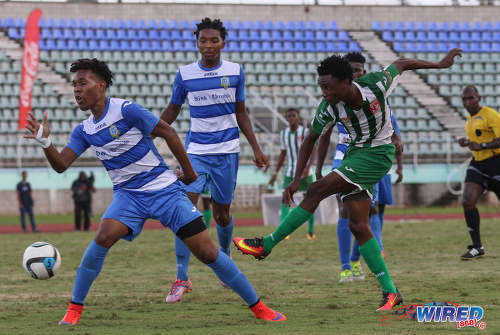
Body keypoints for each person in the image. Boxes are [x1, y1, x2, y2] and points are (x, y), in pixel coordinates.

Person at [24, 58, 285, 325]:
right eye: (74, 85)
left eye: (83, 83)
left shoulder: (126, 110)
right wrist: (46, 144)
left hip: (164, 191)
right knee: (102, 238)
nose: (76, 90)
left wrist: (190, 174)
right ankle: (74, 311)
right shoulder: (85, 130)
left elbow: (168, 132)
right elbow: (61, 165)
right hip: (128, 197)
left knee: (208, 253)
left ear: (101, 86)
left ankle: (259, 307)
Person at [235, 49, 462, 311]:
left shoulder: (376, 84)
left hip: (378, 154)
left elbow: (401, 63)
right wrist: (297, 178)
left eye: (328, 87)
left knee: (318, 190)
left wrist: (439, 64)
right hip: (355, 154)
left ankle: (267, 244)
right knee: (358, 225)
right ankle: (391, 292)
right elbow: (311, 139)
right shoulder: (330, 106)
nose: (324, 93)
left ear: (345, 83)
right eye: (320, 87)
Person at [160, 17, 269, 302]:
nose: (208, 46)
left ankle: (224, 259)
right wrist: (150, 132)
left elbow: (241, 112)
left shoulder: (235, 72)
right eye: (203, 41)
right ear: (196, 43)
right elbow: (172, 110)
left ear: (223, 43)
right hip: (195, 152)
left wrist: (256, 148)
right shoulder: (184, 74)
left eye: (213, 40)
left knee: (222, 214)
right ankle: (182, 278)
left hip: (227, 152)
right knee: (185, 210)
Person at [315, 52, 404, 283]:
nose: (359, 73)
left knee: (370, 211)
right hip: (345, 155)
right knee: (345, 210)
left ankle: (357, 260)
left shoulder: (375, 95)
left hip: (372, 155)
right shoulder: (335, 99)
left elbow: (392, 129)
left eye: (361, 70)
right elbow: (322, 135)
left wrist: (397, 144)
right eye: (354, 70)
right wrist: (318, 167)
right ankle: (346, 266)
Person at [457, 85, 500, 260]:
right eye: (464, 99)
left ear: (479, 98)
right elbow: (478, 139)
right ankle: (477, 247)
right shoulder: (469, 118)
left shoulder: (490, 115)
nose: (468, 102)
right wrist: (467, 142)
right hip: (478, 164)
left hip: (496, 163)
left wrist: (482, 146)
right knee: (467, 201)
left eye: (471, 98)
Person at [268, 108, 316, 240]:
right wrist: (275, 173)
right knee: (285, 200)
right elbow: (282, 155)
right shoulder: (284, 134)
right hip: (290, 172)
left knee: (310, 200)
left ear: (298, 118)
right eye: (288, 116)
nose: (290, 118)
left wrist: (308, 167)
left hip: (306, 173)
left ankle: (311, 230)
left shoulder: (305, 132)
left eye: (293, 115)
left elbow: (313, 150)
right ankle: (284, 231)